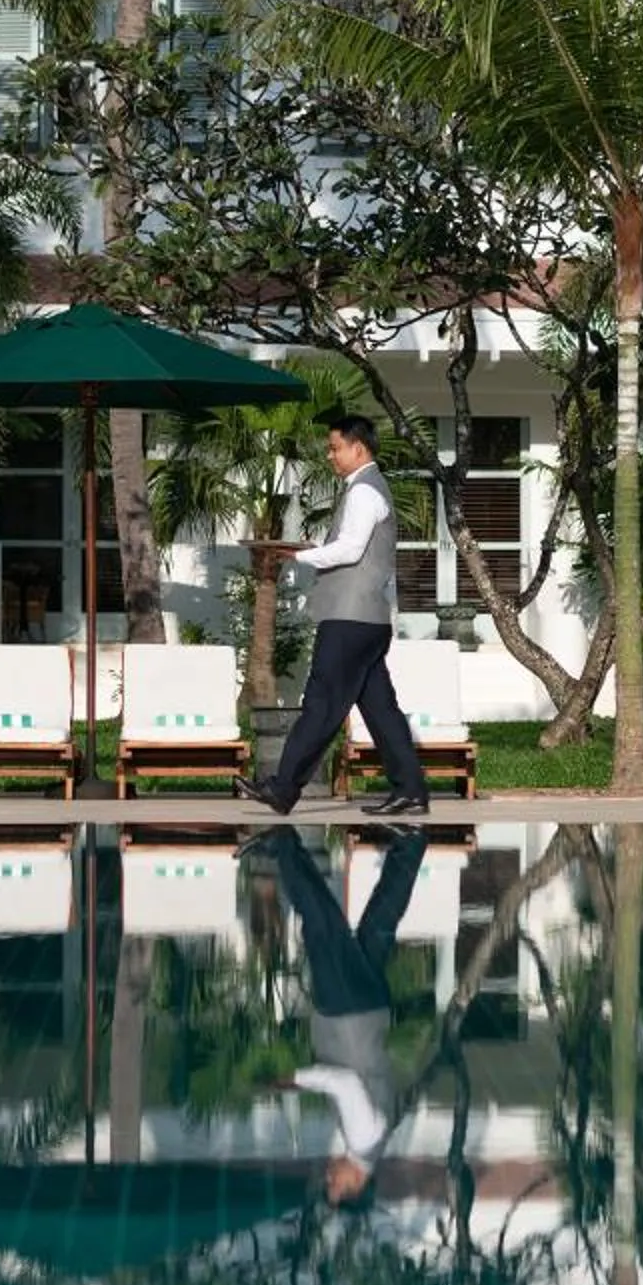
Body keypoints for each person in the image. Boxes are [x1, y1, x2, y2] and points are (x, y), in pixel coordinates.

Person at [235, 415, 430, 819]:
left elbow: (349, 550)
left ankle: (283, 787)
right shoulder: (369, 488)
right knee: (380, 709)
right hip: (368, 620)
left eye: (335, 447)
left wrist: (298, 555)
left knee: (321, 703)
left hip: (350, 620)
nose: (330, 455)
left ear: (358, 449)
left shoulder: (363, 492)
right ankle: (411, 790)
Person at [260, 825, 425, 1206]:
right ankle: (284, 845)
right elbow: (346, 1082)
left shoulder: (374, 1142)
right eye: (333, 1186)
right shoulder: (363, 1138)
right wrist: (294, 1080)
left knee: (379, 925)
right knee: (322, 929)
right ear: (354, 1185)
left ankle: (413, 843)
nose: (328, 1177)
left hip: (368, 1014)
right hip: (347, 1013)